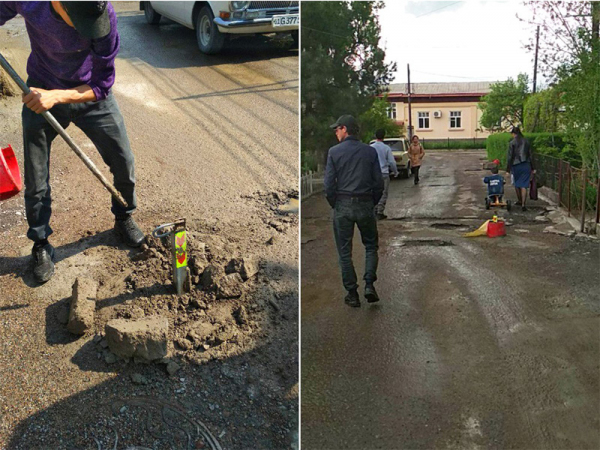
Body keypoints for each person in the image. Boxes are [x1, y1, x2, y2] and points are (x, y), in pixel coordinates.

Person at [0, 1, 144, 284]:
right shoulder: (30, 2)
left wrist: (58, 96)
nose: (84, 30)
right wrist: (48, 97)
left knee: (123, 160)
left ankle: (124, 214)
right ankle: (41, 244)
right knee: (36, 175)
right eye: (77, 19)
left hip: (88, 95)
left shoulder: (103, 15)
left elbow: (102, 85)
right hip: (40, 92)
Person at [324, 115, 384, 308]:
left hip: (343, 204)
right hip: (365, 204)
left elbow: (328, 185)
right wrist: (371, 203)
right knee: (370, 246)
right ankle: (369, 285)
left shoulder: (334, 152)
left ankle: (352, 293)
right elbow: (378, 183)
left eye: (337, 129)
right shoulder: (370, 151)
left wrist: (336, 203)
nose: (335, 133)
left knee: (344, 252)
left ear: (345, 129)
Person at [371, 128, 398, 220]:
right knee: (383, 192)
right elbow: (391, 162)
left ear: (375, 136)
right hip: (384, 173)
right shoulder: (386, 148)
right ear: (384, 137)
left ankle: (373, 210)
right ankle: (380, 212)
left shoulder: (371, 147)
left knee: (373, 191)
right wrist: (395, 172)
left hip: (372, 174)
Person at [506, 127, 535, 211]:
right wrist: (533, 167)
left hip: (516, 165)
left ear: (513, 134)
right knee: (524, 185)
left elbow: (510, 157)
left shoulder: (512, 143)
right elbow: (531, 155)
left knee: (517, 183)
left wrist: (508, 169)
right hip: (526, 164)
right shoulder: (526, 141)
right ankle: (523, 204)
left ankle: (519, 200)